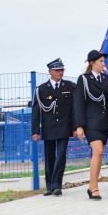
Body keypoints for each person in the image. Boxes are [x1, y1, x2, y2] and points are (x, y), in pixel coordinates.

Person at [74, 50, 108, 200]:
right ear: (92, 63)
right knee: (98, 151)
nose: (103, 64)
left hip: (104, 122)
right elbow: (78, 103)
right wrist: (79, 126)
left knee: (99, 154)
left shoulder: (105, 79)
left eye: (103, 61)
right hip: (90, 122)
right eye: (100, 61)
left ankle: (92, 185)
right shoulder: (84, 79)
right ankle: (94, 187)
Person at [31, 58, 76, 196]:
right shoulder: (41, 89)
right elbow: (36, 112)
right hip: (48, 127)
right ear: (50, 71)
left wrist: (75, 127)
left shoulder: (70, 87)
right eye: (57, 70)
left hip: (64, 126)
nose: (60, 72)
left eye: (61, 70)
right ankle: (49, 185)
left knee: (61, 155)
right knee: (49, 157)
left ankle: (57, 185)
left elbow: (74, 109)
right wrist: (35, 131)